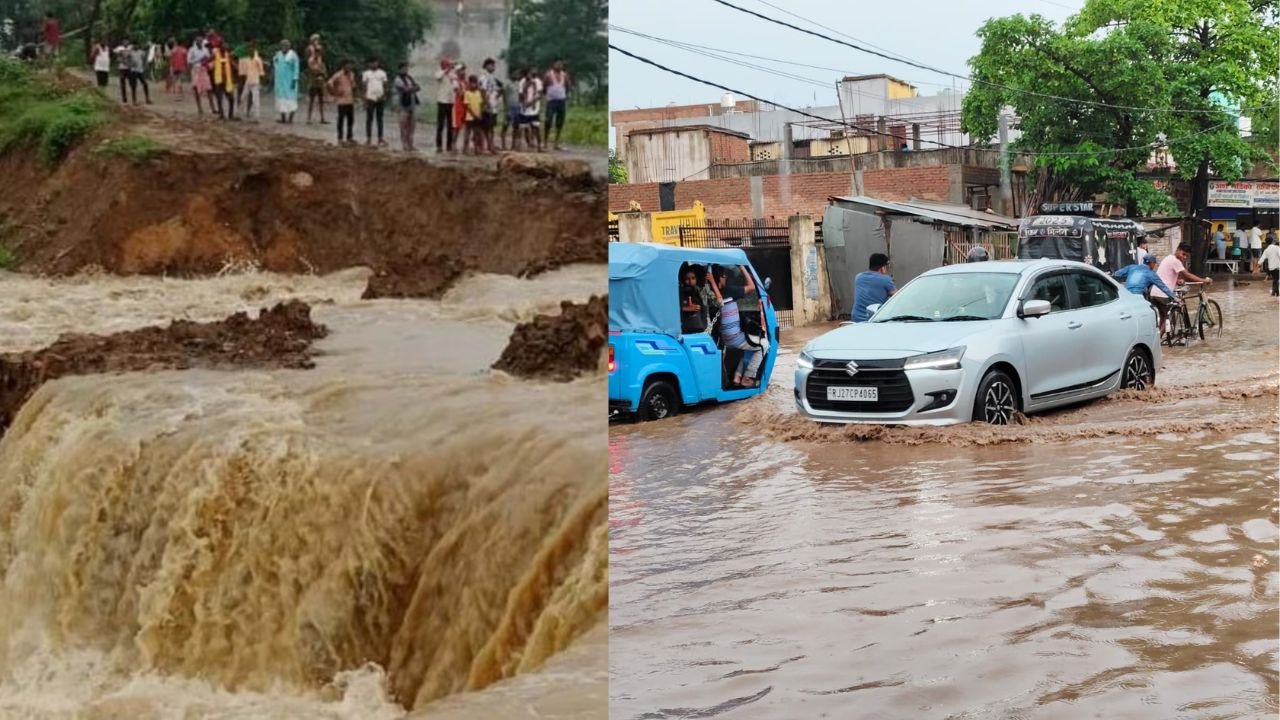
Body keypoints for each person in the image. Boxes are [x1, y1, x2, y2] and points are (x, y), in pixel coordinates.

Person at [706, 266, 769, 388]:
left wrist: (712, 281)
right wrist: (741, 266)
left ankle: (737, 376)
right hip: (734, 338)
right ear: (720, 278)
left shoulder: (709, 294)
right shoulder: (729, 291)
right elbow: (751, 286)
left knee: (749, 346)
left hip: (724, 340)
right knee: (764, 345)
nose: (726, 278)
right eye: (724, 276)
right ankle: (747, 377)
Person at [1150, 242, 1213, 337]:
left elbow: (1165, 276)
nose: (1184, 257)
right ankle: (1156, 343)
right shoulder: (1175, 261)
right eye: (1183, 254)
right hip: (1163, 294)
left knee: (1162, 319)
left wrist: (1177, 281)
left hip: (1154, 293)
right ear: (1177, 250)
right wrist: (1204, 281)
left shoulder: (1168, 258)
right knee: (1166, 320)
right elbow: (1187, 275)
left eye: (1186, 256)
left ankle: (1156, 339)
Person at [852, 253, 896, 322]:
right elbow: (896, 297)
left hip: (856, 318)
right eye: (886, 267)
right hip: (874, 319)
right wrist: (890, 282)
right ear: (882, 268)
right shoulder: (886, 279)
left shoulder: (858, 277)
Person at [543, 58, 569, 151]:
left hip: (561, 100)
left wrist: (566, 96)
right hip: (551, 101)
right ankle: (545, 142)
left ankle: (556, 143)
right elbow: (544, 87)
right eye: (557, 64)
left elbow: (567, 86)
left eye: (560, 64)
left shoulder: (564, 75)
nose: (559, 66)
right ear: (553, 65)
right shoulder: (548, 75)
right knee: (548, 121)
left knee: (560, 122)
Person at [393, 62, 421, 152]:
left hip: (412, 104)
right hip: (402, 106)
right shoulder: (397, 79)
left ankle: (410, 144)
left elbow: (418, 87)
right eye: (403, 68)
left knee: (412, 127)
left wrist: (412, 88)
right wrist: (413, 88)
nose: (405, 70)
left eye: (406, 68)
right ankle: (404, 144)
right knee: (403, 126)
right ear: (399, 69)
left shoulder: (409, 78)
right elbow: (406, 90)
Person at [361, 58, 388, 145]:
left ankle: (380, 138)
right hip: (370, 98)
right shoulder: (366, 74)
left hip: (380, 98)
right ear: (369, 64)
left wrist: (384, 96)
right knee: (369, 119)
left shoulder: (382, 73)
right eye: (372, 63)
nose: (374, 64)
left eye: (375, 62)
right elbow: (364, 87)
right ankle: (368, 138)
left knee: (380, 119)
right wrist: (364, 100)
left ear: (378, 63)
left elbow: (385, 86)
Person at [328, 60, 357, 144]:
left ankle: (349, 137)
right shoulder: (338, 75)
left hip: (350, 100)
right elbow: (329, 83)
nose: (349, 67)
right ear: (343, 66)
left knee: (351, 120)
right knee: (341, 120)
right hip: (341, 101)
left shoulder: (351, 74)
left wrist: (355, 96)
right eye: (347, 65)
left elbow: (353, 85)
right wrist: (335, 93)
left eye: (350, 66)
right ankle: (340, 138)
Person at [272, 40, 299, 124]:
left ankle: (290, 119)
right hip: (280, 81)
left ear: (289, 46)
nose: (284, 47)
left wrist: (294, 79)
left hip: (290, 81)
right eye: (282, 45)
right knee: (280, 100)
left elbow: (296, 68)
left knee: (291, 100)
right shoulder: (278, 54)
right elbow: (275, 63)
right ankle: (283, 118)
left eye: (286, 45)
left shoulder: (293, 55)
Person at [434, 57, 456, 153]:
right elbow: (438, 77)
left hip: (450, 102)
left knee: (450, 125)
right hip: (442, 101)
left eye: (448, 64)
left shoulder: (452, 75)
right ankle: (439, 145)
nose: (448, 66)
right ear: (442, 65)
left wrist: (451, 71)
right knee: (440, 125)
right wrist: (447, 70)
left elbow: (455, 85)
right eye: (446, 64)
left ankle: (449, 145)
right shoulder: (439, 73)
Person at [480, 58, 502, 153]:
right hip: (488, 105)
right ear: (486, 66)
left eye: (494, 65)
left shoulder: (492, 77)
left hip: (493, 105)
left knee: (490, 127)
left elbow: (497, 89)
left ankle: (489, 144)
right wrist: (486, 102)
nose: (493, 67)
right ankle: (489, 146)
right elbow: (483, 90)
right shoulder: (485, 77)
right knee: (488, 127)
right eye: (491, 65)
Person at [519, 67, 544, 152]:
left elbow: (540, 95)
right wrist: (525, 101)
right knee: (525, 127)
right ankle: (528, 144)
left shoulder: (537, 81)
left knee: (536, 126)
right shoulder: (522, 82)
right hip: (525, 108)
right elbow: (521, 94)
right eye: (528, 73)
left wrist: (532, 101)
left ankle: (539, 145)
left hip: (534, 108)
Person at [238, 41, 264, 122]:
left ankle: (256, 118)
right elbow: (243, 71)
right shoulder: (246, 59)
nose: (250, 50)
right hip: (248, 81)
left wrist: (260, 83)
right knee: (243, 98)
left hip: (255, 82)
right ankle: (240, 114)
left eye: (251, 49)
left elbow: (261, 72)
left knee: (255, 100)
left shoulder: (257, 60)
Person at [305, 34, 328, 124]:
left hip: (319, 81)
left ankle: (322, 118)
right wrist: (321, 72)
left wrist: (322, 73)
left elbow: (323, 71)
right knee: (312, 100)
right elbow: (314, 70)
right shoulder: (311, 59)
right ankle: (309, 118)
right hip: (313, 81)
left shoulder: (320, 60)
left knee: (321, 100)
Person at [210, 39, 235, 119]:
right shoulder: (215, 54)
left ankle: (230, 115)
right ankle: (222, 115)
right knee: (219, 98)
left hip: (227, 80)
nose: (226, 47)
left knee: (231, 98)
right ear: (220, 47)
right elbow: (209, 62)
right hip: (218, 79)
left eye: (226, 46)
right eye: (224, 46)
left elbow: (232, 63)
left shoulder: (228, 55)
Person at [462, 74, 484, 154]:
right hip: (470, 116)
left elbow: (480, 104)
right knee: (467, 132)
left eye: (475, 83)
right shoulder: (467, 93)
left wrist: (480, 114)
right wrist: (474, 115)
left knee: (477, 133)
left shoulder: (478, 93)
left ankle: (476, 148)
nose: (473, 85)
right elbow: (466, 106)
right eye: (472, 83)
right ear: (469, 83)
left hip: (477, 116)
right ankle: (465, 148)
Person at [679, 266, 705, 334]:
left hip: (700, 329)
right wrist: (686, 308)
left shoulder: (701, 291)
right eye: (687, 279)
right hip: (685, 330)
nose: (690, 282)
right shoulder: (679, 293)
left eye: (693, 278)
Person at [501, 68, 521, 150]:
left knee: (516, 127)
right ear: (511, 74)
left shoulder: (517, 83)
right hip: (509, 107)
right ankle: (503, 145)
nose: (517, 75)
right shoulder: (506, 83)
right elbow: (504, 96)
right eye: (515, 73)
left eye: (517, 73)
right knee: (505, 125)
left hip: (517, 107)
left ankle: (513, 145)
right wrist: (506, 108)